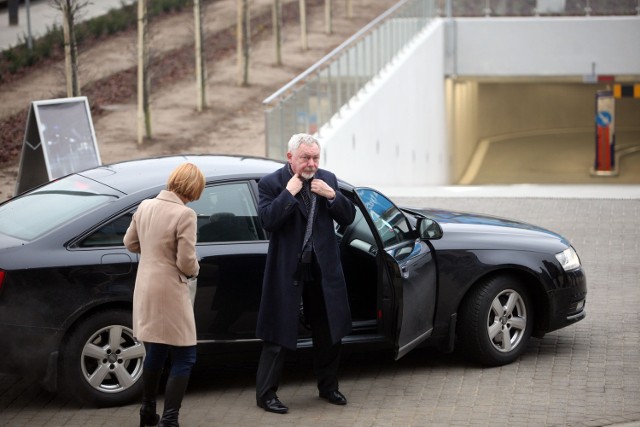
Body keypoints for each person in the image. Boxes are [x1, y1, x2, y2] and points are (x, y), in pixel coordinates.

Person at [255, 133, 356, 414]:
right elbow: (268, 222)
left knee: (329, 332)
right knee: (278, 334)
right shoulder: (272, 184)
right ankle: (266, 395)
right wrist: (289, 193)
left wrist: (333, 196)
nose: (311, 163)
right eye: (305, 158)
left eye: (315, 157)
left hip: (323, 270)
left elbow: (348, 218)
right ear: (290, 158)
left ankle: (329, 388)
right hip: (288, 270)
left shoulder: (328, 179)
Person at [123, 162, 205, 427]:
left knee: (156, 351)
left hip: (145, 288)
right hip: (171, 290)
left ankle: (147, 413)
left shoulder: (145, 206)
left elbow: (129, 242)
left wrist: (152, 253)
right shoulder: (186, 215)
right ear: (193, 188)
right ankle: (169, 421)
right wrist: (195, 270)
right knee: (185, 355)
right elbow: (186, 261)